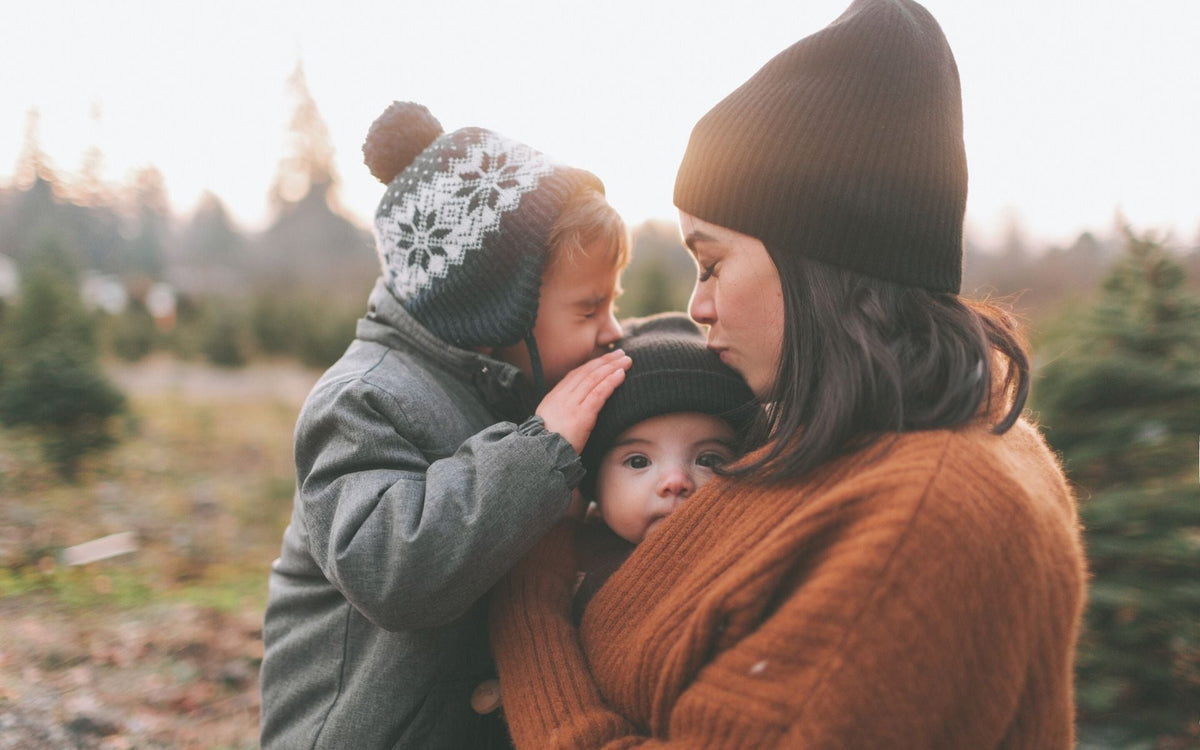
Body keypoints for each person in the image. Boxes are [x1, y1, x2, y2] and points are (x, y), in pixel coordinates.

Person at [488, 1, 1088, 747]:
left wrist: (531, 619)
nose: (696, 305)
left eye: (711, 263)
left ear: (816, 262)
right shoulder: (840, 442)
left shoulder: (922, 523)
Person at [259, 101, 633, 749]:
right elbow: (391, 572)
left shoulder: (506, 388)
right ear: (496, 307)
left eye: (616, 302)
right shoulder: (362, 400)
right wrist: (541, 450)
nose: (613, 330)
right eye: (590, 307)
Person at [572, 313, 757, 624]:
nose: (675, 482)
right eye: (639, 461)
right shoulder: (567, 560)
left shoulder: (745, 560)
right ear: (595, 487)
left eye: (708, 460)